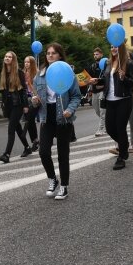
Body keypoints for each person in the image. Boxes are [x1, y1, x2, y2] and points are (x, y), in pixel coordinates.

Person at [31, 42, 81, 200]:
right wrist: (34, 101)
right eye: (48, 53)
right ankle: (53, 179)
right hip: (47, 116)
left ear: (60, 55)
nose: (50, 55)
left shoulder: (67, 73)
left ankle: (64, 186)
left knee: (62, 154)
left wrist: (70, 110)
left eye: (53, 53)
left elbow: (76, 96)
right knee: (43, 151)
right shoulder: (39, 75)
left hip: (63, 117)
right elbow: (35, 98)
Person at [97, 43, 133, 170]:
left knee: (120, 128)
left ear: (121, 48)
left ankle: (122, 157)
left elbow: (132, 83)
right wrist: (96, 81)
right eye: (111, 47)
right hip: (110, 100)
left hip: (124, 100)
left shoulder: (128, 63)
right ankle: (123, 146)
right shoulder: (109, 63)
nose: (113, 49)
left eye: (116, 46)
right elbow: (106, 81)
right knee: (109, 128)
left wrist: (124, 77)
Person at [0, 51, 32, 163]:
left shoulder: (19, 72)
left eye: (9, 57)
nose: (7, 58)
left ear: (13, 60)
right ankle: (27, 148)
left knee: (11, 129)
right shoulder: (4, 73)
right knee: (18, 128)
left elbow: (24, 90)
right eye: (6, 56)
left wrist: (25, 105)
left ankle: (7, 154)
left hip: (18, 104)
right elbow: (4, 91)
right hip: (8, 105)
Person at [22, 55, 39, 151]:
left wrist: (29, 84)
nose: (26, 64)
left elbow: (38, 87)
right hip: (26, 99)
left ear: (32, 63)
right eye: (25, 62)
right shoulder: (23, 73)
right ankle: (35, 140)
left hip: (35, 98)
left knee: (29, 118)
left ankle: (34, 140)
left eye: (28, 62)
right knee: (30, 120)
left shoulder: (36, 73)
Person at [88, 48, 106, 136]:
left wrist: (102, 84)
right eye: (94, 54)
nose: (95, 56)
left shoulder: (105, 65)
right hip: (94, 90)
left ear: (101, 55)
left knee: (103, 110)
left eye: (97, 54)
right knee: (97, 110)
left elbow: (108, 78)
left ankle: (101, 129)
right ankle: (107, 123)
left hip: (102, 90)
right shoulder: (92, 66)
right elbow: (89, 78)